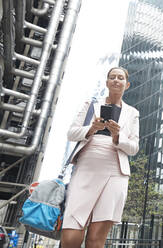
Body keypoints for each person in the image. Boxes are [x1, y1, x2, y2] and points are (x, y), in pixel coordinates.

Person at [61, 67, 139, 248]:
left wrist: (118, 136)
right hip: (87, 164)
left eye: (120, 78)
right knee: (71, 234)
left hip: (116, 170)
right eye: (112, 77)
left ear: (126, 85)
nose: (116, 80)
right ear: (107, 83)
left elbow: (134, 148)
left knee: (96, 239)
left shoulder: (133, 113)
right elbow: (71, 133)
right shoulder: (91, 104)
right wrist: (91, 128)